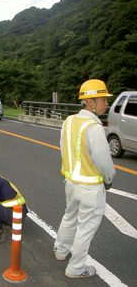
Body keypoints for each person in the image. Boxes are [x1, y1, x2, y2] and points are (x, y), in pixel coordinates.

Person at [53, 79, 116, 279]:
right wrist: (109, 178)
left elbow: (64, 149)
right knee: (86, 228)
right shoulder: (95, 128)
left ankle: (61, 251)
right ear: (91, 102)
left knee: (69, 216)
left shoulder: (69, 121)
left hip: (71, 182)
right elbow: (104, 162)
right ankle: (76, 268)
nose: (106, 103)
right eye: (103, 99)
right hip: (90, 187)